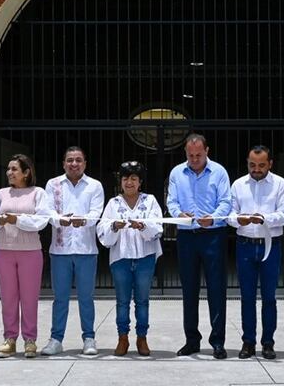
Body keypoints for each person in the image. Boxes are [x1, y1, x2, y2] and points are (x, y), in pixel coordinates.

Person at [166, 133, 233, 359]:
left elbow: (226, 201)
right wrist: (179, 214)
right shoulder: (177, 172)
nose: (194, 159)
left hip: (213, 234)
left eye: (198, 154)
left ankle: (218, 341)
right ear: (185, 152)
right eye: (190, 155)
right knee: (189, 290)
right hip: (187, 236)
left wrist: (213, 218)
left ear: (207, 151)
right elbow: (171, 201)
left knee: (216, 289)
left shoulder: (219, 172)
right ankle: (192, 340)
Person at [228, 145, 284, 360]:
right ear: (247, 162)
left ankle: (268, 342)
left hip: (270, 244)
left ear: (270, 164)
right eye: (252, 165)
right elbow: (229, 214)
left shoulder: (280, 183)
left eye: (261, 165)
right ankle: (248, 342)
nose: (256, 169)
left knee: (269, 297)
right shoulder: (238, 185)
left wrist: (264, 218)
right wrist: (240, 219)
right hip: (245, 243)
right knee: (246, 297)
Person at [41, 146, 105, 356]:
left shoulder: (94, 186)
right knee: (60, 297)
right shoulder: (53, 184)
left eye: (78, 160)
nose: (74, 164)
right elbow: (47, 212)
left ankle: (89, 337)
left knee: (86, 297)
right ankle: (56, 338)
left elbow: (96, 213)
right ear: (63, 163)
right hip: (60, 250)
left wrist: (82, 221)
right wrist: (63, 220)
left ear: (85, 163)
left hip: (86, 249)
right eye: (70, 160)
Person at [0, 154, 52, 358]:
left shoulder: (38, 193)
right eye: (8, 169)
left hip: (30, 252)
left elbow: (41, 222)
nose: (9, 173)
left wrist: (16, 220)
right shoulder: (1, 194)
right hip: (4, 251)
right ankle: (10, 338)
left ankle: (30, 339)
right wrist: (1, 221)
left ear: (26, 172)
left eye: (14, 169)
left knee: (29, 297)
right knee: (8, 297)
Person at [97, 161, 162, 357]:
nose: (129, 182)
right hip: (121, 258)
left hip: (145, 257)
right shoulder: (113, 204)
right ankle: (122, 338)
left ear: (140, 182)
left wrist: (142, 226)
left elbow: (158, 228)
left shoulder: (149, 201)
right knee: (122, 301)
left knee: (142, 300)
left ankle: (142, 338)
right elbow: (102, 232)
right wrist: (114, 227)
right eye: (125, 179)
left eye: (134, 178)